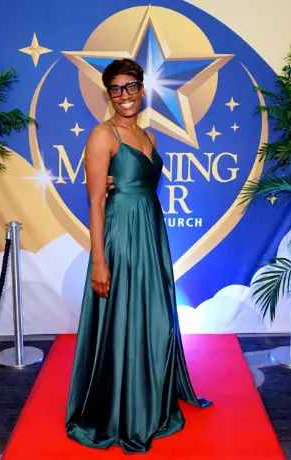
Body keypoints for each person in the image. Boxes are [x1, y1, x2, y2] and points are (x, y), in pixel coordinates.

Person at [65, 58, 212, 454]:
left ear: (142, 89)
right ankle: (120, 409)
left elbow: (143, 186)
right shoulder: (102, 135)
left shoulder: (150, 136)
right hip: (121, 237)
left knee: (153, 316)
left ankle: (149, 395)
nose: (124, 95)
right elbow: (96, 202)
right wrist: (99, 262)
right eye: (116, 89)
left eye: (131, 86)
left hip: (150, 234)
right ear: (108, 94)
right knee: (122, 318)